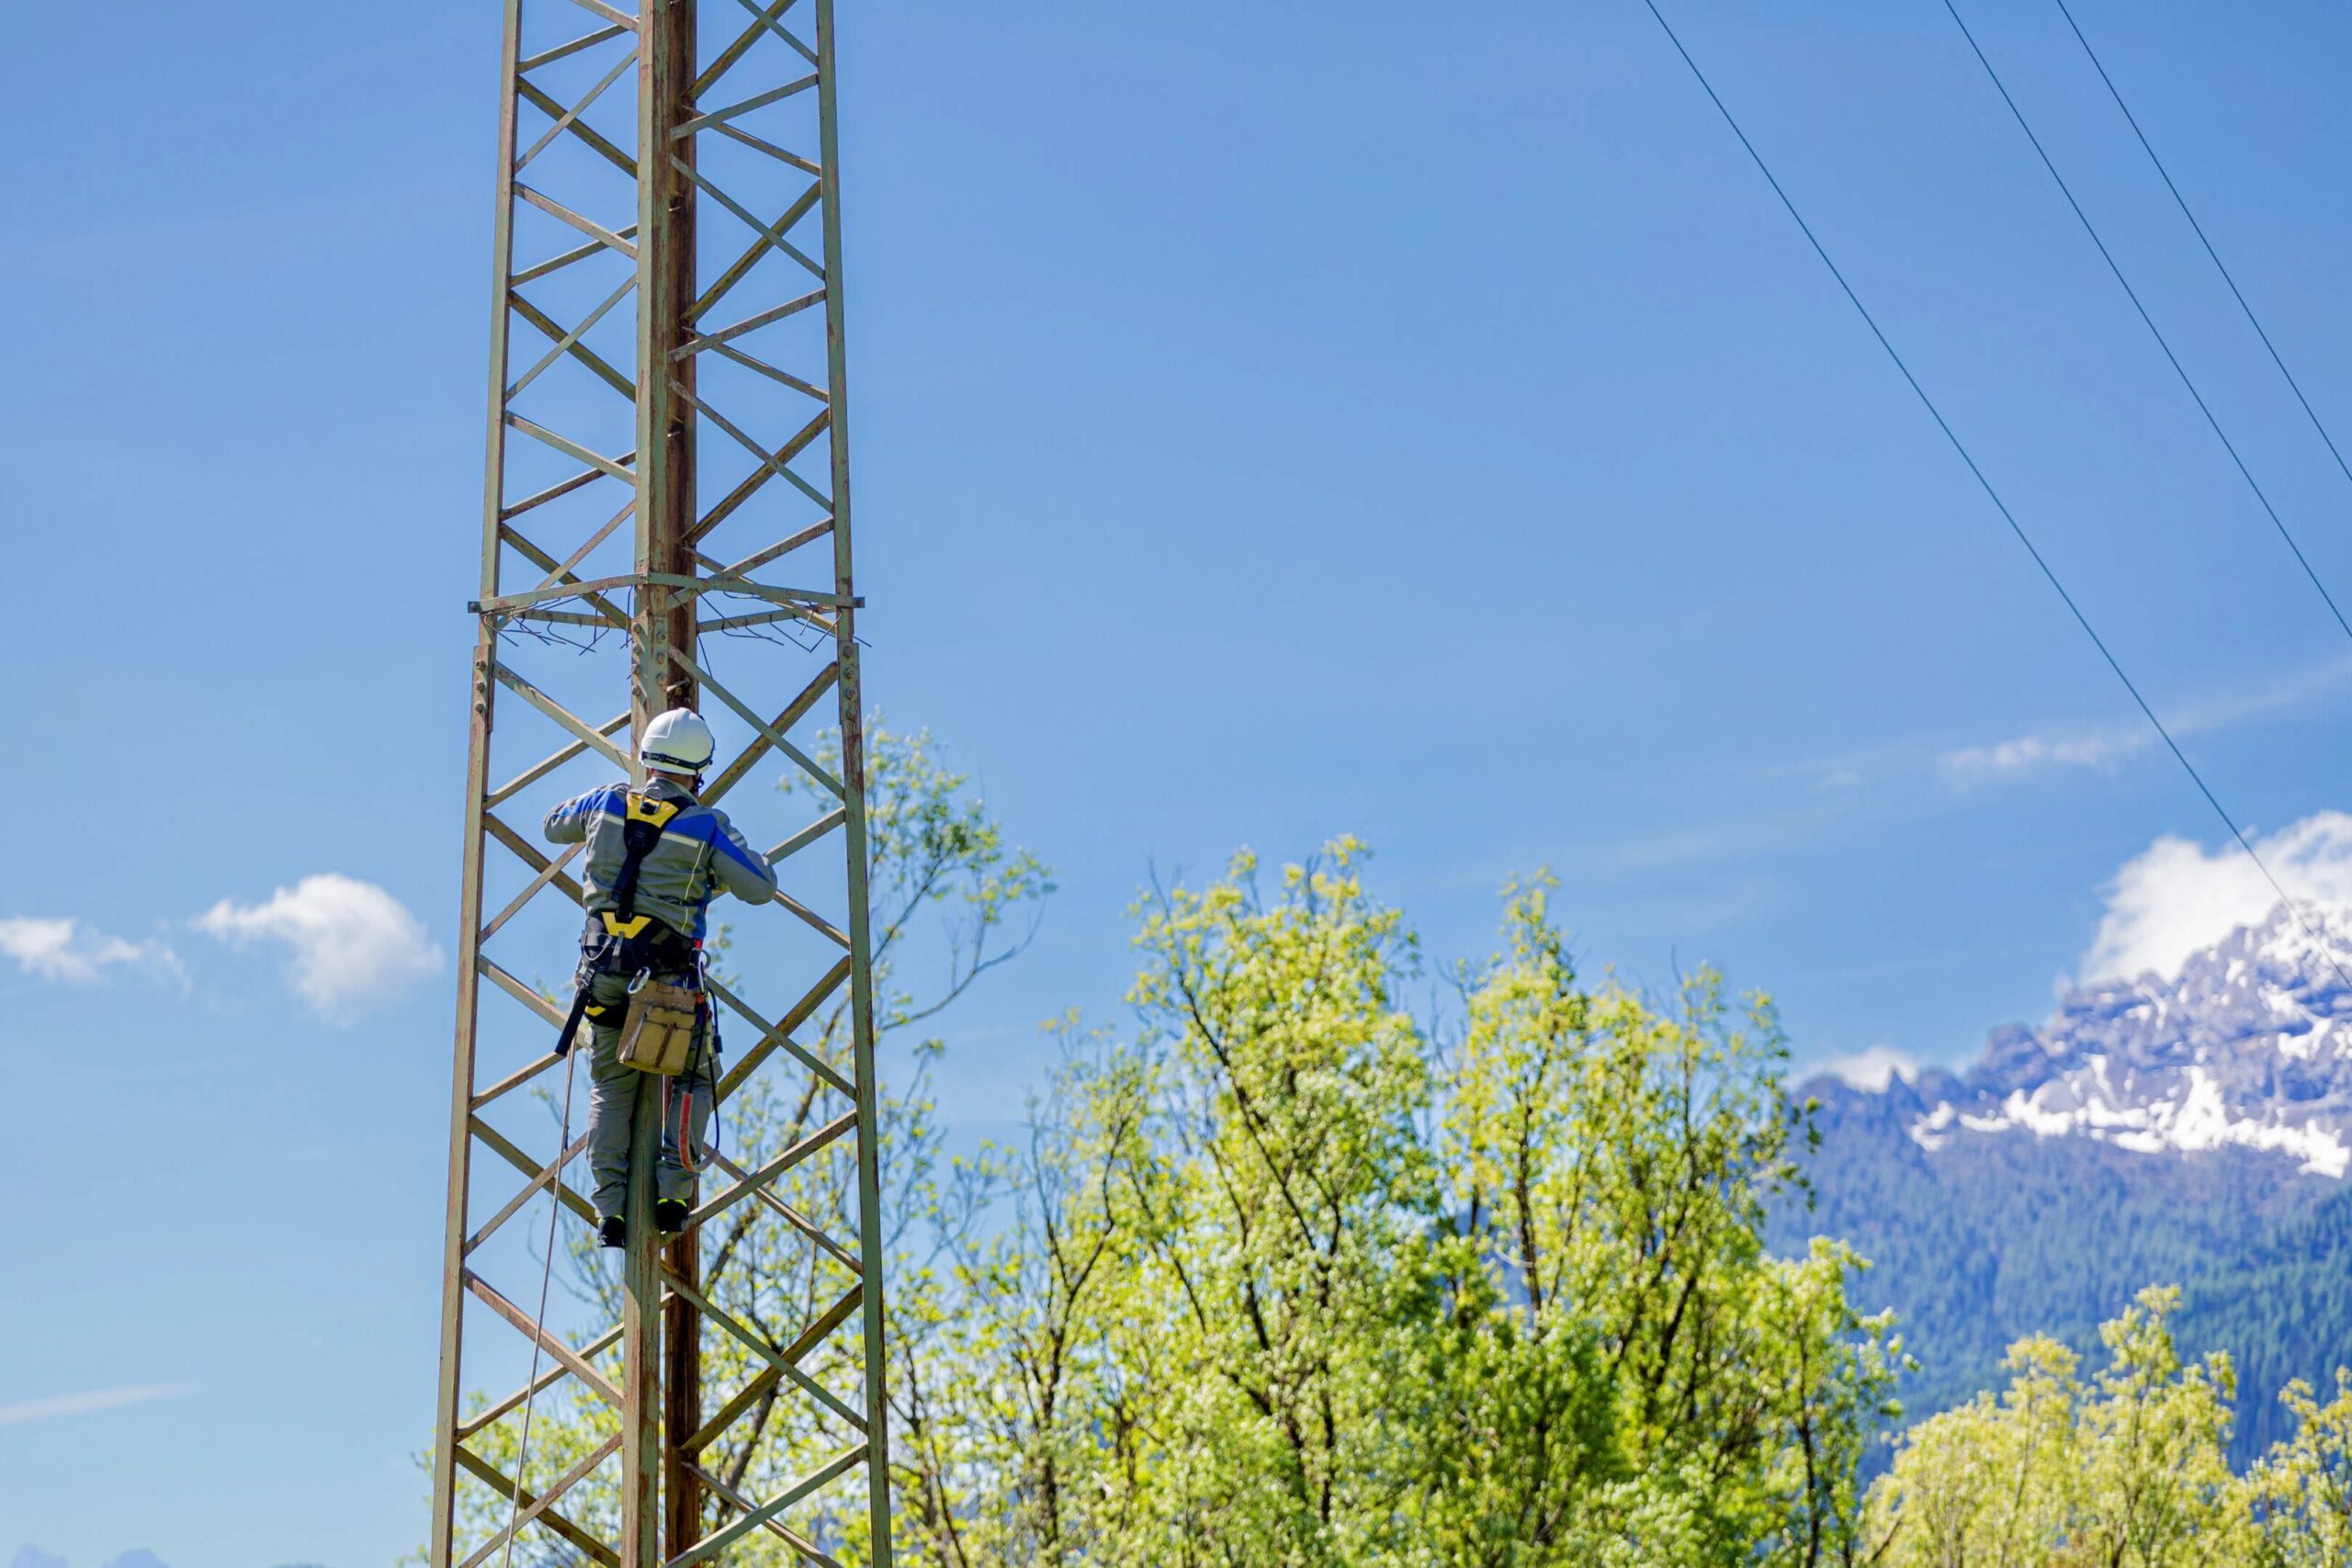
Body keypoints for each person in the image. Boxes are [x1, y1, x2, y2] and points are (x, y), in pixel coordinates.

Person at [542, 707, 778, 1247]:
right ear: (699, 771)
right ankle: (672, 1197)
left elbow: (553, 823)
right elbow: (761, 885)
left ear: (647, 759)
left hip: (603, 972)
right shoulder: (707, 826)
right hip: (666, 984)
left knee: (610, 1086)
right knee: (696, 1076)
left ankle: (610, 1212)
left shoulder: (605, 801)